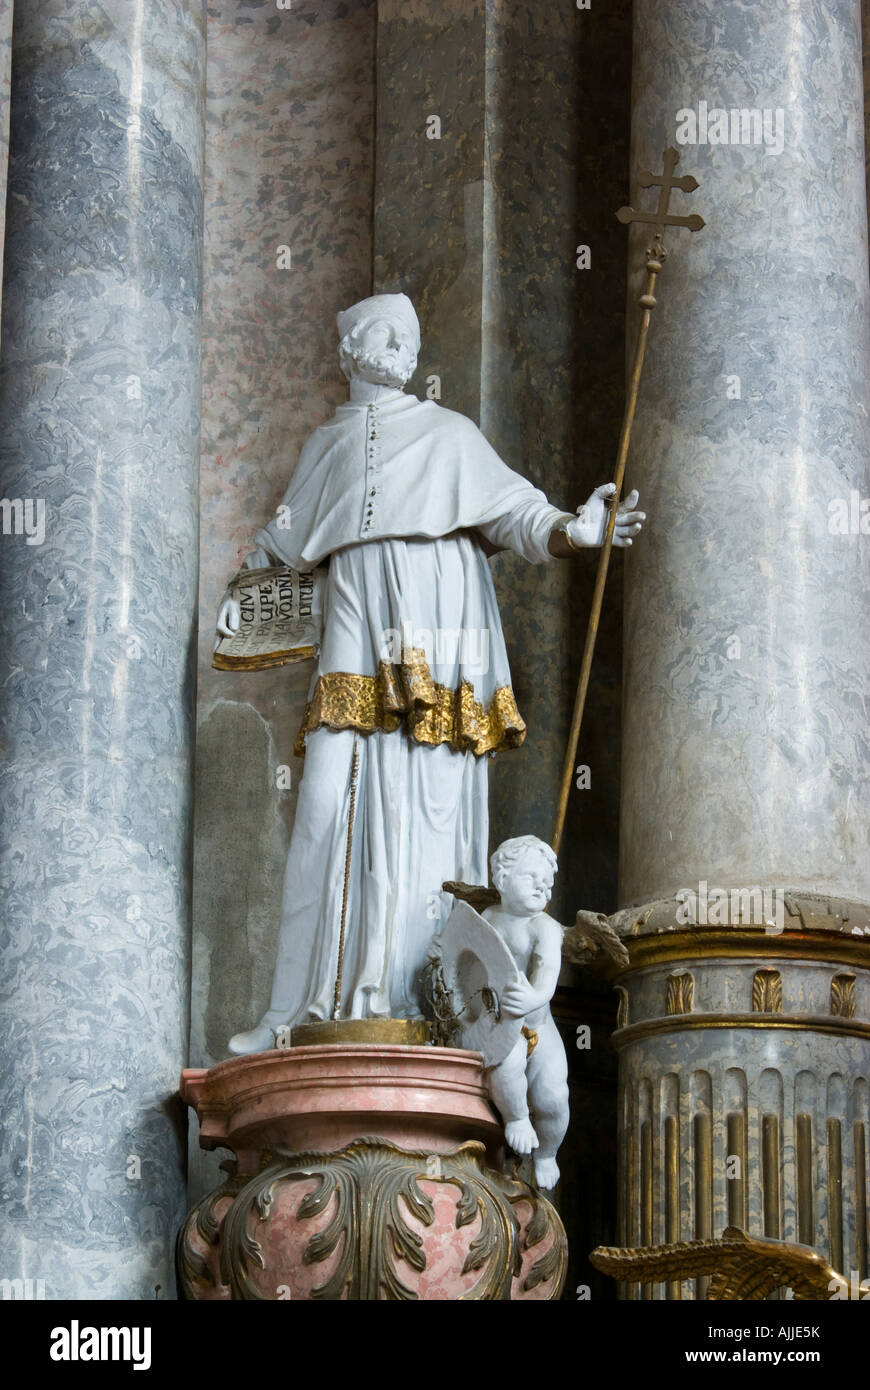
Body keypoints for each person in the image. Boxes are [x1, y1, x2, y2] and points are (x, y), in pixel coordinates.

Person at [217, 292, 645, 1054]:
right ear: (348, 346)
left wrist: (569, 531)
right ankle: (293, 1013)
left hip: (439, 638)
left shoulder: (450, 434)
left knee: (423, 806)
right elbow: (281, 549)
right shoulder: (326, 448)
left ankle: (424, 1003)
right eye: (381, 330)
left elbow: (514, 509)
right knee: (321, 804)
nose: (397, 344)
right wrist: (245, 601)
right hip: (352, 627)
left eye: (408, 335)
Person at [481, 835, 568, 1190]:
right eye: (532, 878)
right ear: (501, 879)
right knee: (505, 1070)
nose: (542, 889)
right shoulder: (488, 918)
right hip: (503, 1024)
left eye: (547, 884)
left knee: (553, 1096)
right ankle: (516, 1118)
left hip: (539, 1026)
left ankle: (548, 1153)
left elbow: (547, 980)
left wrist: (532, 999)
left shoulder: (544, 927)